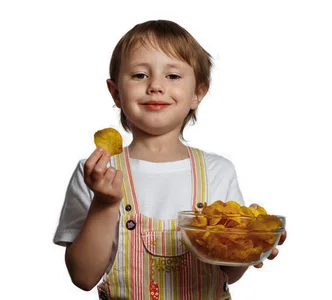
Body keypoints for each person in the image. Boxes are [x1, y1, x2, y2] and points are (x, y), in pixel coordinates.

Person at [53, 19, 286, 300]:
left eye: (173, 76)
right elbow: (83, 277)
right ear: (116, 93)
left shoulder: (217, 171)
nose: (155, 86)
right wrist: (104, 203)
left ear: (198, 93)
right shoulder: (98, 172)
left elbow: (227, 273)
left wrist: (250, 248)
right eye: (140, 75)